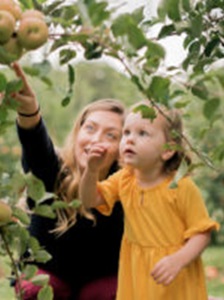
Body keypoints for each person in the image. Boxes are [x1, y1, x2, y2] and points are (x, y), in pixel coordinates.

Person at [79, 100, 220, 300]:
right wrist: (91, 171)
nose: (129, 140)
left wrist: (178, 260)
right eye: (126, 132)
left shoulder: (181, 186)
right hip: (137, 270)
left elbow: (202, 233)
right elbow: (89, 200)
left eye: (142, 133)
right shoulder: (125, 179)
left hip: (173, 273)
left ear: (168, 149)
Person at [11, 62, 126, 300]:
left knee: (109, 292)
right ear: (78, 132)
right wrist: (29, 110)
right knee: (41, 287)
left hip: (99, 281)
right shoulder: (52, 171)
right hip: (50, 278)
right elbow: (35, 144)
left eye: (111, 135)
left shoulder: (125, 185)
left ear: (122, 148)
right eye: (90, 128)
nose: (96, 139)